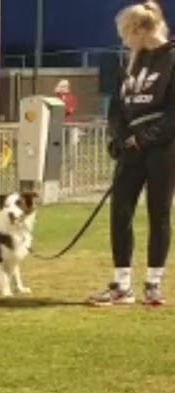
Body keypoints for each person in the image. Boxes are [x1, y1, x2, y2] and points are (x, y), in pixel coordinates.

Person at [91, 1, 175, 307]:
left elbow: (172, 113)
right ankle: (121, 286)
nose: (124, 40)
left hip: (163, 150)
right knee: (120, 211)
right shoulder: (129, 62)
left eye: (127, 33)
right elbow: (117, 106)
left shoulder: (172, 59)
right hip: (131, 149)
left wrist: (146, 138)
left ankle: (154, 283)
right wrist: (119, 137)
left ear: (142, 30)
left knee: (159, 212)